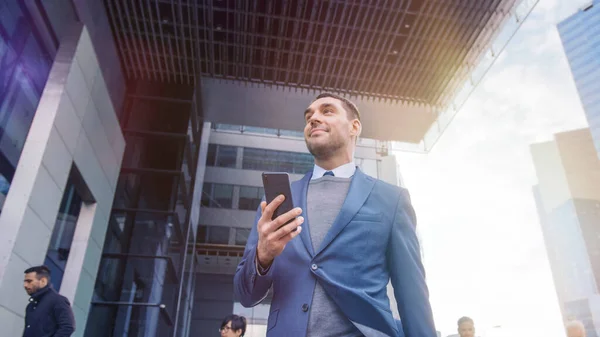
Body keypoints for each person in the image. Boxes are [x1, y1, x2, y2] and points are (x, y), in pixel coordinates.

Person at [234, 93, 437, 336]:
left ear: (354, 127)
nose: (313, 119)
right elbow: (245, 296)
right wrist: (263, 257)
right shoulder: (275, 204)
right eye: (309, 116)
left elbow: (412, 296)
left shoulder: (391, 200)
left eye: (327, 111)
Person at [22, 265, 75, 337]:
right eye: (25, 281)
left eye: (29, 281)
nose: (25, 285)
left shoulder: (58, 300)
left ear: (43, 281)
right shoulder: (30, 306)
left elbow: (68, 327)